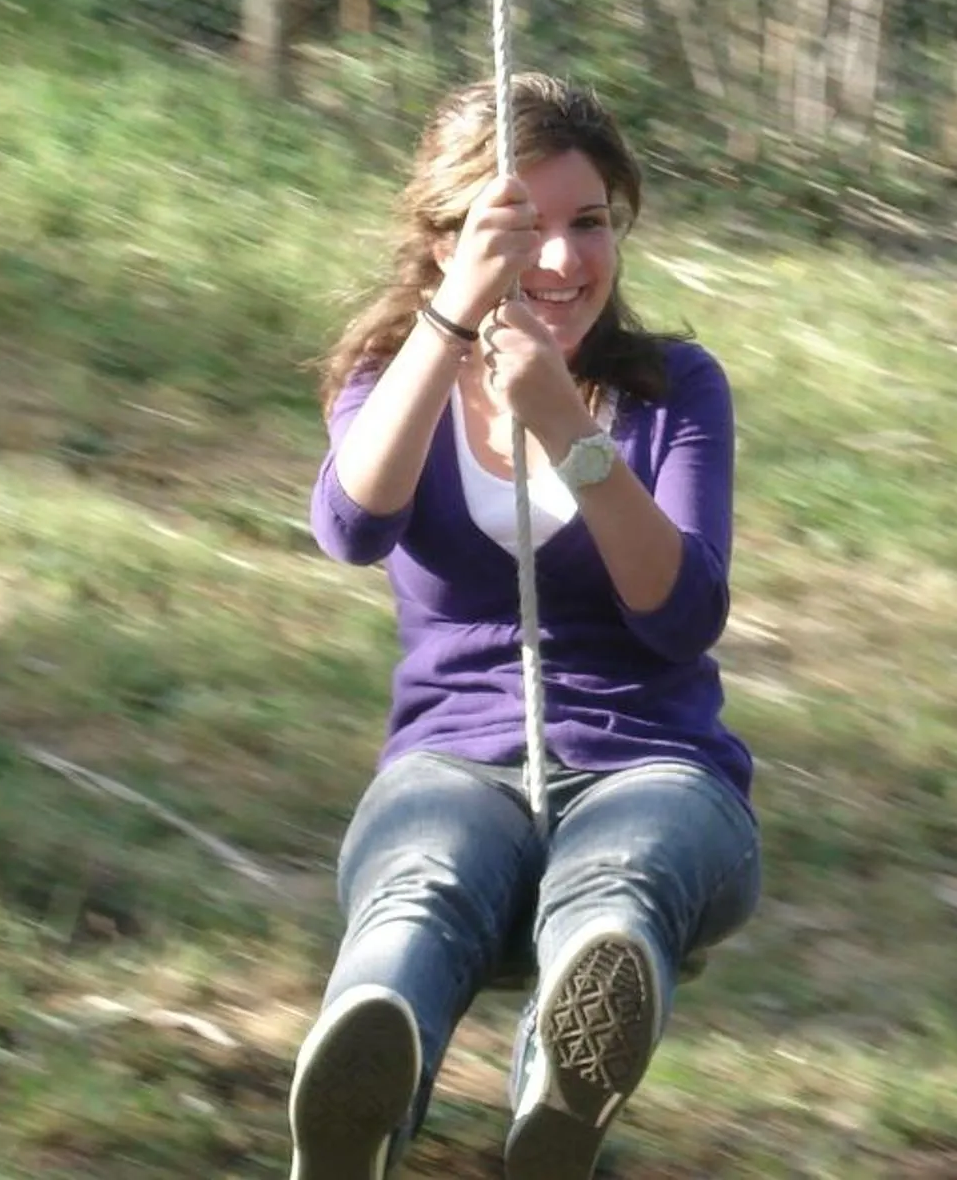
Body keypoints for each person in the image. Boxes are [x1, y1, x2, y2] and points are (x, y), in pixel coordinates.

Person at [287, 73, 761, 1180]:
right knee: (425, 875)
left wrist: (562, 423)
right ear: (449, 237)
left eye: (588, 223)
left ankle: (561, 1084)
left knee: (620, 876)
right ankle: (362, 1068)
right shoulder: (385, 373)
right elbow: (353, 523)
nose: (560, 261)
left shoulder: (672, 389)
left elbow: (681, 615)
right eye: (521, 229)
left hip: (655, 766)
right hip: (453, 759)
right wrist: (451, 325)